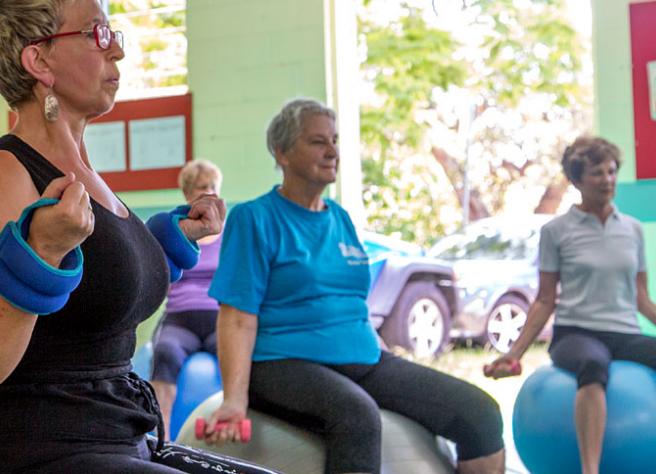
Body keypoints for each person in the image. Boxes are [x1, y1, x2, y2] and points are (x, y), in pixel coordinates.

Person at [0, 1, 279, 472]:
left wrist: (171, 242)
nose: (117, 52)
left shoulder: (85, 175)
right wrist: (39, 255)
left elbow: (96, 293)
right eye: (99, 35)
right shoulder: (0, 175)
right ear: (39, 61)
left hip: (115, 431)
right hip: (32, 446)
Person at [203, 98, 506, 474]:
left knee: (480, 414)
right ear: (281, 152)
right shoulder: (255, 217)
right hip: (281, 362)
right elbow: (236, 316)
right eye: (317, 142)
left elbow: (351, 302)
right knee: (356, 415)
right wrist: (235, 399)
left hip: (363, 358)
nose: (332, 151)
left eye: (334, 140)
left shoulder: (340, 219)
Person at [486, 136, 656, 474]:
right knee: (592, 366)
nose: (608, 180)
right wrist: (514, 353)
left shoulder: (632, 230)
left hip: (625, 333)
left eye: (612, 171)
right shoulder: (556, 231)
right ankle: (590, 470)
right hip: (577, 333)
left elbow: (642, 300)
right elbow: (545, 300)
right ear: (577, 181)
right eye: (597, 173)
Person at [151, 159, 224, 424]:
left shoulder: (228, 236)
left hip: (219, 318)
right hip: (180, 319)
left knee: (238, 357)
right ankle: (163, 436)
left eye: (214, 186)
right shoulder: (174, 231)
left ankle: (231, 430)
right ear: (188, 193)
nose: (211, 191)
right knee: (165, 353)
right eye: (203, 187)